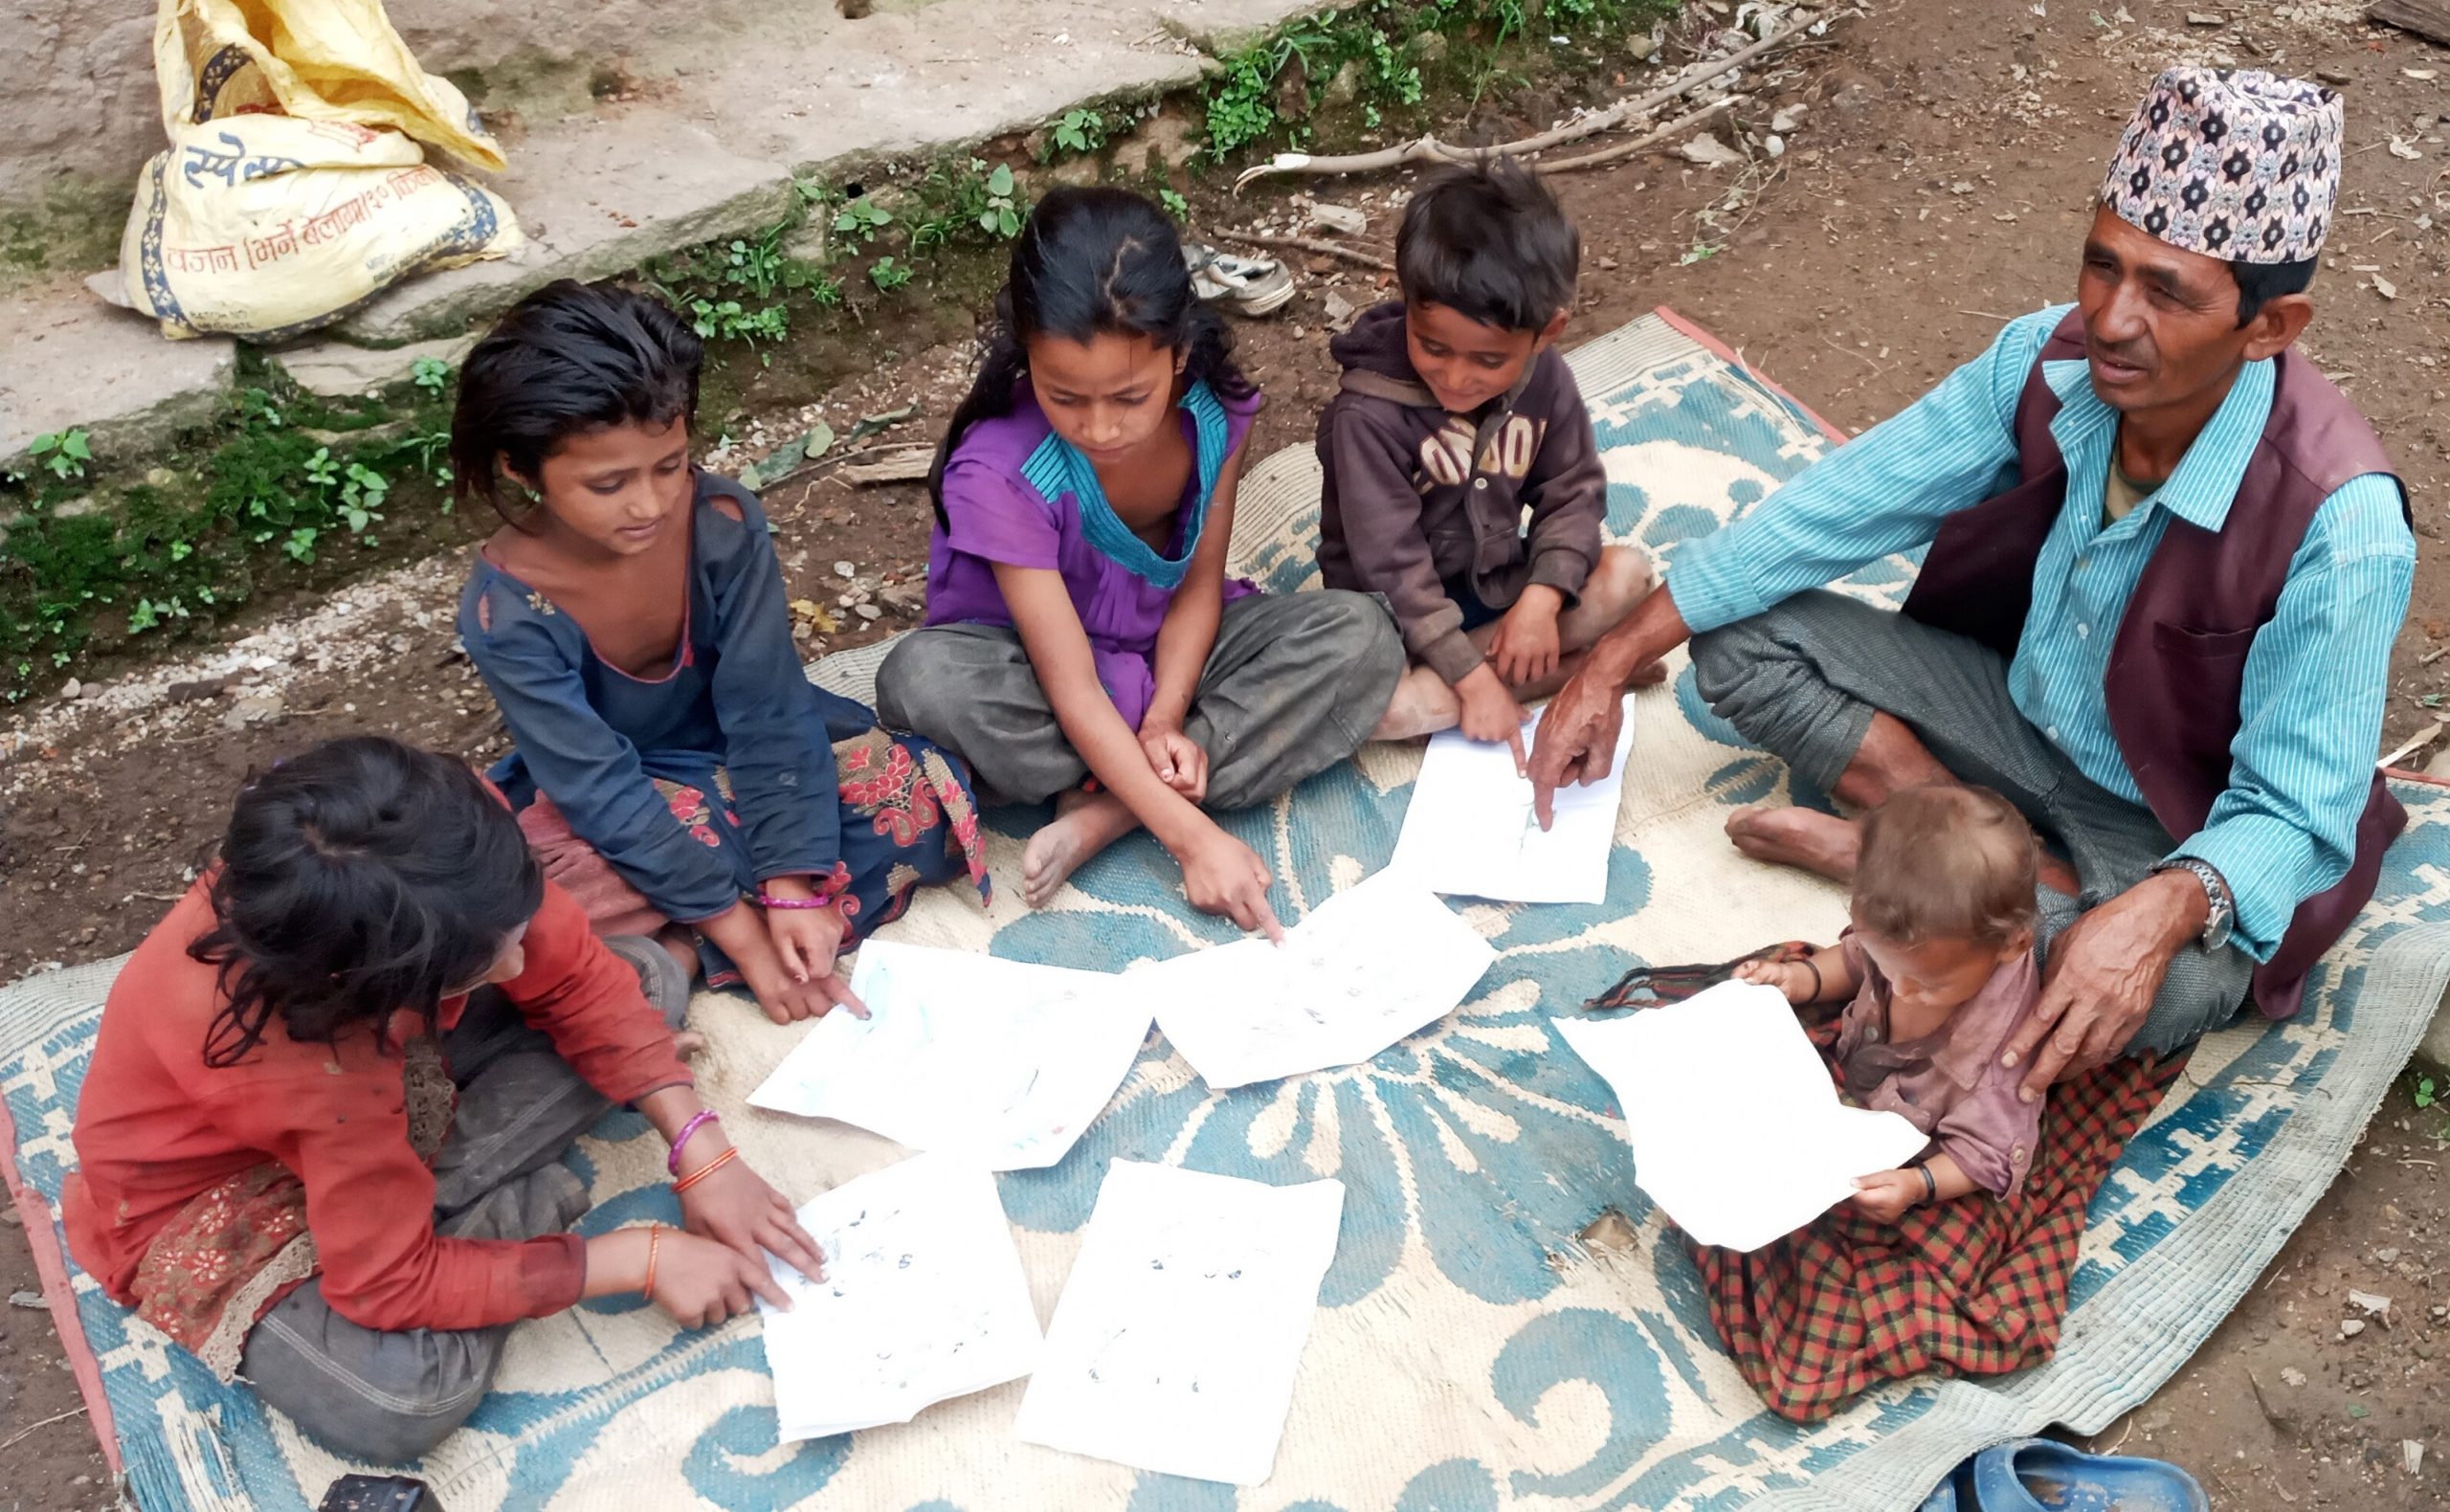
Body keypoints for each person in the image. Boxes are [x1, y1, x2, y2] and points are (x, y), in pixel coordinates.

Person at [1531, 67, 2411, 1101]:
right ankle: (1960, 861)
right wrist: (1607, 662)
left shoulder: (2342, 524)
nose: (2113, 319)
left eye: (2167, 292)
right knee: (1739, 633)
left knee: (2166, 988)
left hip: (2172, 822)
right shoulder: (2044, 360)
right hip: (2012, 721)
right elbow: (1831, 509)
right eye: (2102, 266)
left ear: (2270, 327)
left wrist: (2162, 907)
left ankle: (1908, 864)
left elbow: (2298, 812)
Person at [61, 738, 820, 1462]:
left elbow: (572, 972)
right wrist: (630, 1259)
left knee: (642, 980)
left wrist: (701, 1152)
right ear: (379, 987)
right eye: (488, 962)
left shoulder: (435, 829)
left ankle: (425, 1221)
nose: (520, 962)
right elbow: (383, 1288)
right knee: (401, 1399)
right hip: (222, 1194)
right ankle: (460, 1222)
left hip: (373, 1104)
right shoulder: (309, 1064)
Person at [454, 279, 988, 1025]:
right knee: (539, 897)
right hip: (620, 791)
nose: (650, 504)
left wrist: (792, 886)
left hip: (742, 753)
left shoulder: (723, 521)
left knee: (905, 789)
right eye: (608, 484)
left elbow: (767, 709)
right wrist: (744, 932)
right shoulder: (506, 611)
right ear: (519, 468)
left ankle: (680, 945)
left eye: (669, 465)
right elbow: (598, 788)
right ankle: (709, 934)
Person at [874, 187, 1406, 930]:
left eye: (1129, 397)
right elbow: (1070, 685)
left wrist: (1163, 717)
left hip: (1170, 653)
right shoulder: (999, 471)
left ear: (1178, 351)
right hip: (1038, 676)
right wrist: (1195, 841)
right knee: (923, 681)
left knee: (1359, 636)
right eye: (1065, 397)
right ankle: (1166, 782)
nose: (1099, 429)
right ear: (1027, 357)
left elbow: (1198, 589)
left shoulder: (1216, 412)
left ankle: (1111, 811)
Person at [1316, 158, 1658, 765]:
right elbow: (1390, 569)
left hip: (1495, 589)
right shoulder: (1366, 416)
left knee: (1628, 575)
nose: (1455, 377)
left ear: (1547, 332)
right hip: (1397, 624)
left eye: (1487, 361)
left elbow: (1572, 492)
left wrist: (1542, 599)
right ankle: (1569, 670)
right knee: (1376, 709)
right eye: (1433, 347)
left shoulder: (1546, 378)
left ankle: (1493, 683)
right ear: (1408, 302)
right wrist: (1471, 678)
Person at [1730, 785, 2044, 1219]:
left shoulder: (2000, 1063)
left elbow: (1987, 1152)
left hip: (1921, 1145)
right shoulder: (1910, 946)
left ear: (2012, 945)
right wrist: (1800, 978)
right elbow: (1854, 958)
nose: (1900, 990)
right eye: (1886, 965)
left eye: (1928, 984)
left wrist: (1918, 1184)